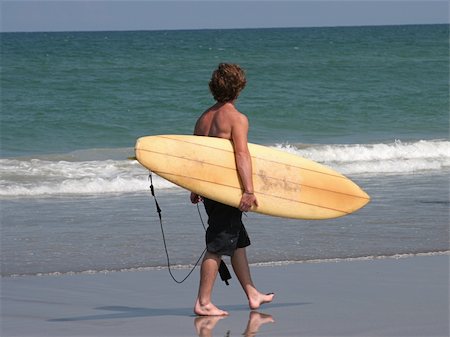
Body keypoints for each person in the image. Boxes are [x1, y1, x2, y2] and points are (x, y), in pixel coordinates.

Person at [190, 63, 274, 316]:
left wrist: (194, 187)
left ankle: (253, 294)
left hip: (210, 191)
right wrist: (248, 190)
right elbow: (241, 154)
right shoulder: (237, 119)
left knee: (236, 242)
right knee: (217, 245)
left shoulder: (203, 119)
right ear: (239, 89)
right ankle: (203, 302)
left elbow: (196, 158)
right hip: (228, 191)